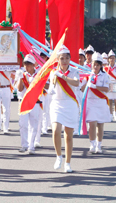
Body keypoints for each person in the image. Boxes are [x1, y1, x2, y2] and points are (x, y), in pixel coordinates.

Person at [48, 45, 80, 173]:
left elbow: (77, 83)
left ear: (70, 59)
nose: (65, 61)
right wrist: (51, 86)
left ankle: (68, 162)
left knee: (68, 135)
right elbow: (52, 85)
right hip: (57, 103)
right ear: (58, 59)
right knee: (56, 130)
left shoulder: (74, 71)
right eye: (62, 58)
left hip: (70, 103)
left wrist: (64, 77)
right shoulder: (53, 72)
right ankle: (58, 156)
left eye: (67, 58)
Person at [16, 54, 43, 155]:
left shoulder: (39, 75)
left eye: (29, 64)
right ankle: (24, 145)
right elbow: (19, 89)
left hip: (35, 102)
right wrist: (20, 78)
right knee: (23, 124)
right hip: (24, 102)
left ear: (33, 65)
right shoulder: (22, 75)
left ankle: (31, 146)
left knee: (34, 125)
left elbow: (44, 87)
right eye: (25, 64)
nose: (27, 66)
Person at [85, 52, 111, 154]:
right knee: (92, 124)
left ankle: (99, 145)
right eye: (94, 65)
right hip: (91, 102)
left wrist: (95, 87)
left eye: (97, 65)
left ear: (101, 66)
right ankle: (92, 144)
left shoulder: (105, 76)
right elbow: (83, 87)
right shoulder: (89, 75)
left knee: (100, 125)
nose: (95, 67)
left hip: (101, 102)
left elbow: (107, 88)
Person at [0, 69, 14, 134]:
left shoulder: (7, 65)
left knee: (6, 109)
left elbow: (14, 72)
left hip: (6, 88)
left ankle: (5, 128)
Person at [104, 50, 116, 121]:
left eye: (113, 58)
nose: (112, 59)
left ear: (115, 59)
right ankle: (110, 114)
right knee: (110, 101)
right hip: (109, 85)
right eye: (110, 58)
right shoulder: (105, 68)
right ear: (108, 59)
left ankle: (115, 113)